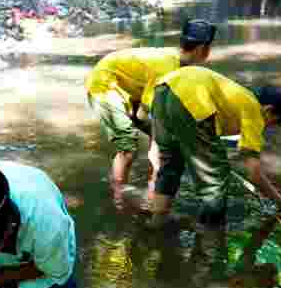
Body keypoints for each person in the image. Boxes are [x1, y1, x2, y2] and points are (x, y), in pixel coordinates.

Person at [136, 65, 281, 228]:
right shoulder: (254, 110)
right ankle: (210, 234)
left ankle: (157, 221)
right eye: (270, 123)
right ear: (268, 110)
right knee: (216, 176)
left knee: (171, 165)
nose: (265, 128)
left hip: (162, 90)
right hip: (191, 95)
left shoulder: (237, 98)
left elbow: (203, 138)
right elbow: (254, 173)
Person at [85, 19, 216, 194]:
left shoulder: (179, 64)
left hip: (129, 86)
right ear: (203, 49)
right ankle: (119, 196)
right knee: (128, 147)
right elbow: (143, 114)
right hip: (105, 86)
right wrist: (156, 146)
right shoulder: (168, 69)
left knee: (167, 141)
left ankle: (153, 190)